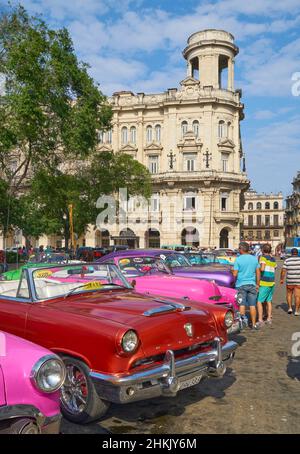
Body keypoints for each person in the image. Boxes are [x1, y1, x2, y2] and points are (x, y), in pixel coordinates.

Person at [233, 242, 261, 330]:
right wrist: (258, 284)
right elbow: (258, 272)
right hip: (252, 284)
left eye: (239, 249)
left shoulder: (238, 259)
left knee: (242, 305)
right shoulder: (254, 259)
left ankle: (242, 324)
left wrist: (231, 271)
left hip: (241, 284)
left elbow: (235, 274)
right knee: (252, 305)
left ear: (241, 249)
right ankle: (253, 324)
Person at [257, 244, 277, 326]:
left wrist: (257, 268)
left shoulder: (263, 258)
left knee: (259, 301)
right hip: (271, 282)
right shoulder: (273, 259)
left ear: (262, 250)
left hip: (264, 282)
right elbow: (275, 268)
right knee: (269, 301)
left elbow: (262, 268)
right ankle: (269, 318)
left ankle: (260, 319)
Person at [280, 248, 300, 315]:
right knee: (297, 296)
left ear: (291, 253)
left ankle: (290, 308)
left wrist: (281, 279)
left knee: (289, 294)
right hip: (298, 281)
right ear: (297, 253)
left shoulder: (287, 260)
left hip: (290, 280)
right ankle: (296, 311)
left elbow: (283, 271)